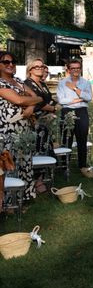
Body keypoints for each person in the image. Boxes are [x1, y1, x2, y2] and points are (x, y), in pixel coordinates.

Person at [0, 51, 42, 199]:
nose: (10, 64)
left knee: (25, 161)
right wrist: (27, 101)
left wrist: (30, 107)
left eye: (12, 62)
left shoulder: (17, 80)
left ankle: (24, 196)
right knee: (11, 164)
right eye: (6, 62)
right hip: (8, 130)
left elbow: (38, 97)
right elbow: (19, 101)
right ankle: (9, 202)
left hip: (24, 128)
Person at [56, 59, 93, 178]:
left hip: (82, 111)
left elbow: (88, 97)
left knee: (82, 139)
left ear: (80, 69)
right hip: (67, 111)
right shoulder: (62, 83)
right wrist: (77, 99)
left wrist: (74, 88)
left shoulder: (86, 83)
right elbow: (61, 100)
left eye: (77, 68)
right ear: (68, 69)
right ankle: (64, 166)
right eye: (73, 68)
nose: (75, 70)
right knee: (66, 138)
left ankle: (82, 166)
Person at [24, 58, 57, 155]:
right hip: (35, 122)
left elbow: (50, 99)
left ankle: (48, 168)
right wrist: (53, 108)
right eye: (36, 67)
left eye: (42, 66)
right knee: (39, 148)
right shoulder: (27, 84)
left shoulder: (42, 83)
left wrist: (52, 106)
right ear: (30, 70)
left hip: (47, 121)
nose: (40, 68)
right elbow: (37, 103)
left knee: (47, 146)